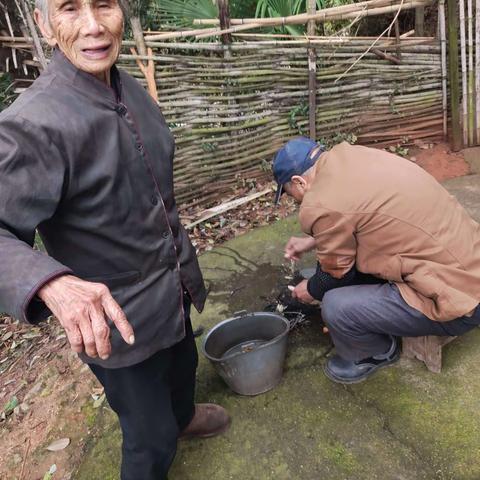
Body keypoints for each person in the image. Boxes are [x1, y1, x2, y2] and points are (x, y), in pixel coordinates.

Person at [0, 1, 229, 478]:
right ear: (44, 22)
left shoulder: (127, 86)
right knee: (149, 438)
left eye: (103, 4)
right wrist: (53, 285)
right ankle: (162, 439)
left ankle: (183, 417)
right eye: (69, 8)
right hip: (117, 321)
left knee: (183, 367)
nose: (93, 26)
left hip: (172, 285)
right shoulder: (32, 125)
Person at [273, 137, 480, 384]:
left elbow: (335, 274)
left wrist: (312, 288)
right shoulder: (354, 158)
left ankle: (375, 352)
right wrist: (313, 240)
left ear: (299, 182)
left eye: (289, 193)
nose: (294, 200)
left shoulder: (321, 202)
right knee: (349, 271)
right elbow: (363, 213)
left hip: (461, 300)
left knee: (336, 305)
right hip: (468, 261)